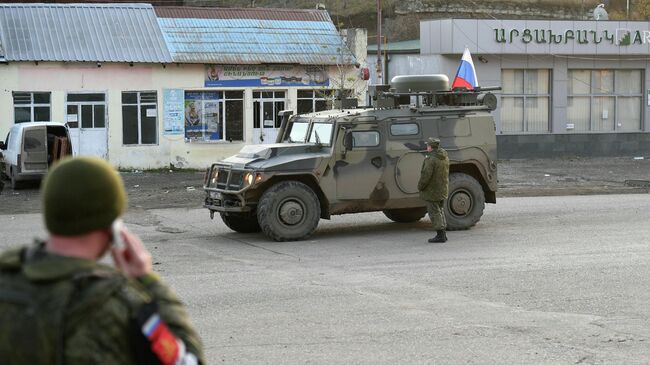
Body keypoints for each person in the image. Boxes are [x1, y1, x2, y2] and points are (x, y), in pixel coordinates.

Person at [0, 156, 204, 365]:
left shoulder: (6, 274)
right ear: (112, 223)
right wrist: (147, 280)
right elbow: (189, 360)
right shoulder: (122, 305)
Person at [417, 137, 450, 243]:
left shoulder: (431, 159)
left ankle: (440, 235)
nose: (427, 147)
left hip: (432, 190)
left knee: (434, 212)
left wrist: (420, 186)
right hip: (442, 188)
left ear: (431, 147)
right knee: (440, 210)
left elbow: (425, 176)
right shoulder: (444, 157)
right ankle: (443, 234)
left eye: (428, 145)